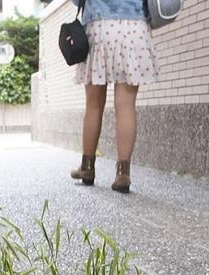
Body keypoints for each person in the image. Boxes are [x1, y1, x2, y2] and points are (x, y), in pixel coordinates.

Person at [67, 0, 158, 192]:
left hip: (99, 26)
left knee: (93, 105)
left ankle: (87, 167)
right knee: (126, 106)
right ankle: (123, 174)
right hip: (135, 28)